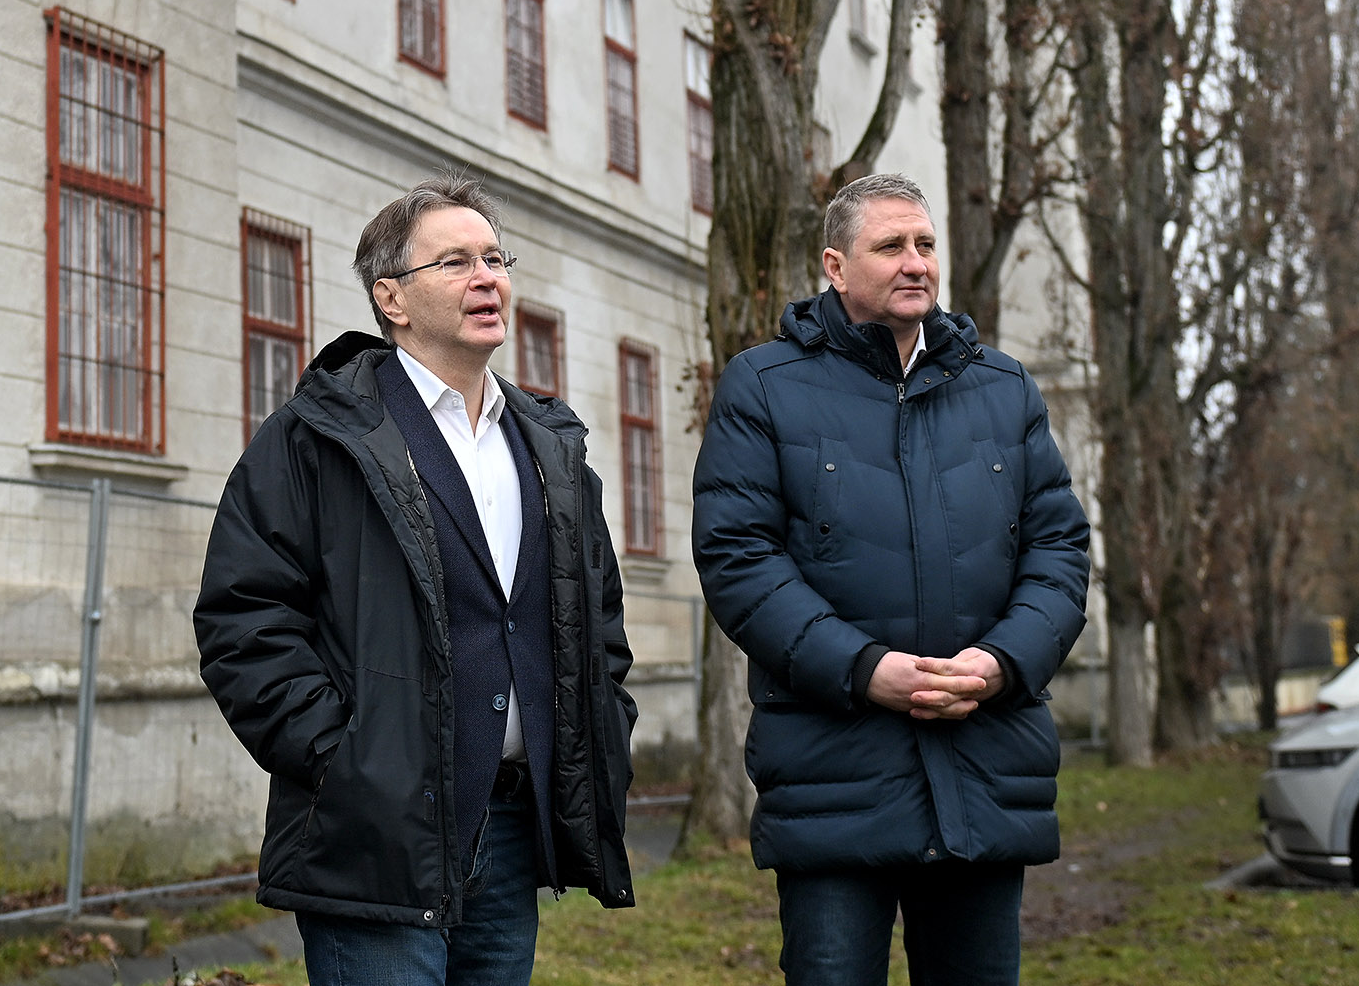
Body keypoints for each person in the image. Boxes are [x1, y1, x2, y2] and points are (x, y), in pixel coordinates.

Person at [195, 176, 636, 985]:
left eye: (495, 259)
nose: (487, 278)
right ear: (390, 297)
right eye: (455, 262)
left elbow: (597, 619)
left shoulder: (551, 449)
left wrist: (602, 730)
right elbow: (243, 618)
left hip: (512, 826)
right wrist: (342, 760)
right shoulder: (317, 438)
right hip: (375, 836)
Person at [693, 173, 1092, 986]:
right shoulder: (763, 386)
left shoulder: (1004, 389)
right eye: (891, 246)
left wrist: (1002, 663)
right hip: (835, 781)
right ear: (835, 267)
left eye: (925, 244)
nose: (916, 263)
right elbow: (740, 560)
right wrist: (863, 670)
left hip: (983, 769)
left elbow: (1059, 551)